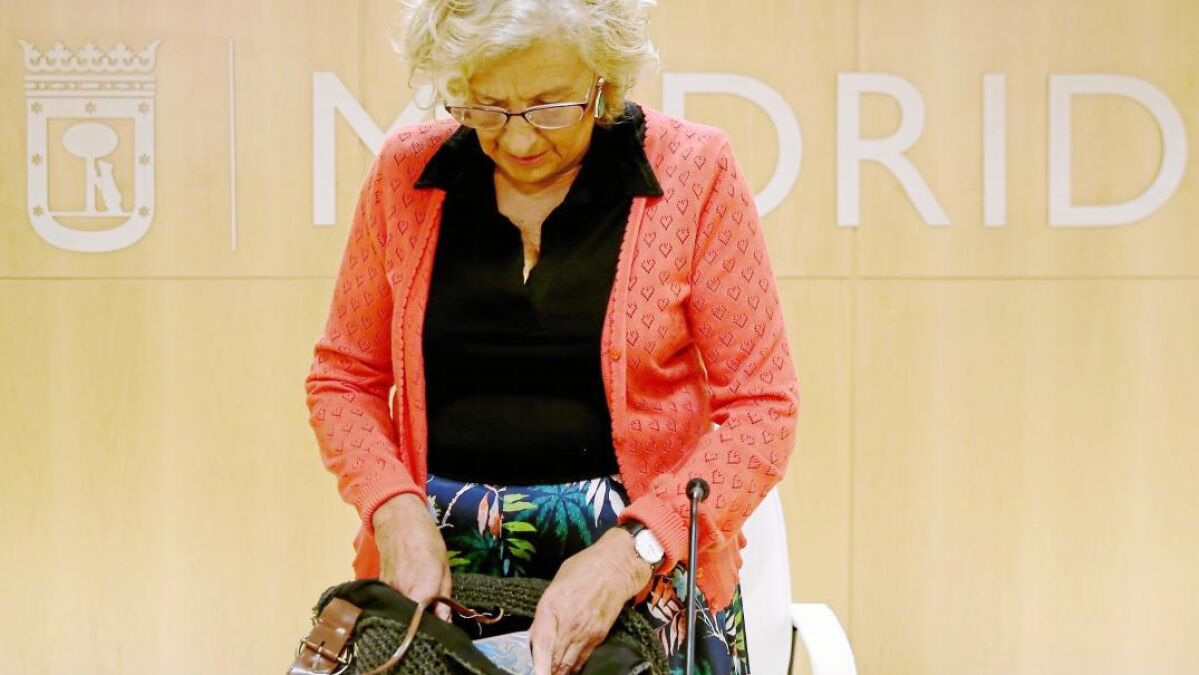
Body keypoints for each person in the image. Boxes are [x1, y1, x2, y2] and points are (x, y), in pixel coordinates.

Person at [304, 1, 799, 673]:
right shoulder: (405, 174)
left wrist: (632, 552)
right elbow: (343, 379)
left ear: (604, 79)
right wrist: (392, 510)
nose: (518, 141)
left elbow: (764, 409)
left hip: (645, 574)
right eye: (487, 106)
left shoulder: (694, 171)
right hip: (435, 576)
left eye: (548, 107)